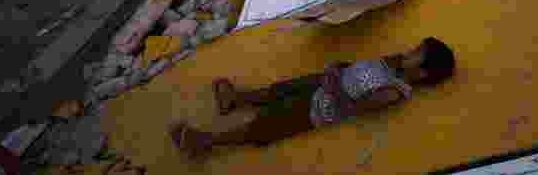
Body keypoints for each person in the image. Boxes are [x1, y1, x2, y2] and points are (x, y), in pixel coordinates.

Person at [169, 38, 455, 159]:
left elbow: (354, 109)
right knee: (279, 90)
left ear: (422, 73)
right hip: (324, 83)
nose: (409, 51)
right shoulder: (393, 62)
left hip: (319, 108)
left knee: (268, 124)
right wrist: (338, 67)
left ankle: (205, 142)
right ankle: (236, 99)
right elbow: (359, 67)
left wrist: (333, 87)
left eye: (417, 53)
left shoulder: (396, 91)